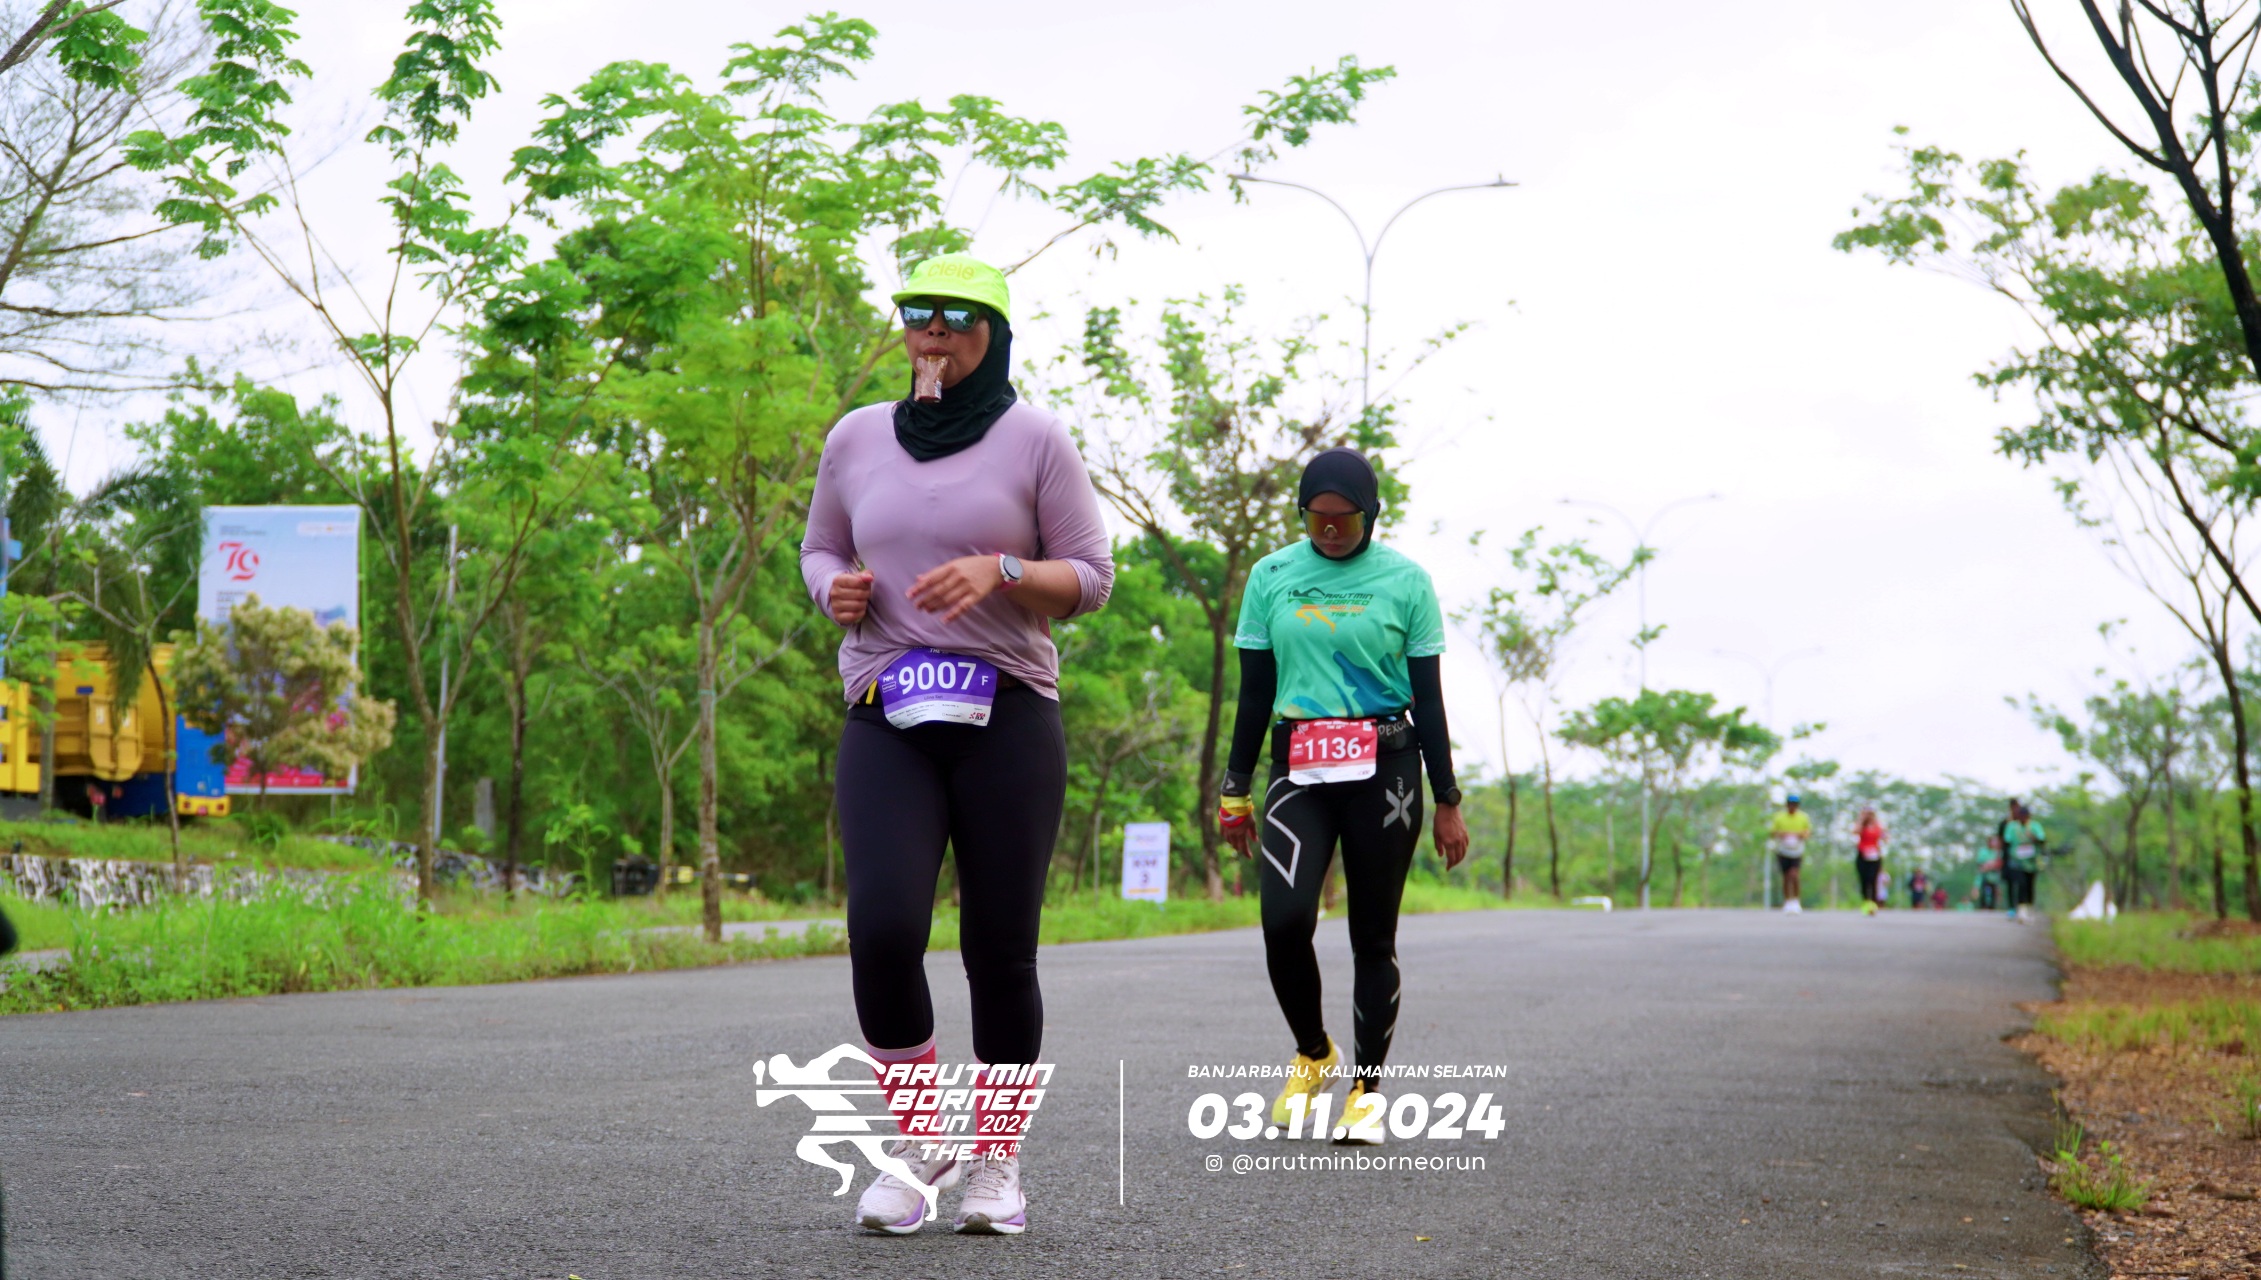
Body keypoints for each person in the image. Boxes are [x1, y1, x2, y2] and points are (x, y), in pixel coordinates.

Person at [799, 253, 1115, 1236]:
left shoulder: (1035, 439)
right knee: (884, 928)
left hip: (1007, 712)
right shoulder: (855, 437)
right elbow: (820, 545)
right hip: (886, 705)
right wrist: (832, 589)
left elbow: (1091, 576)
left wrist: (1003, 570)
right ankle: (924, 1136)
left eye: (957, 316)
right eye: (917, 313)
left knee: (997, 947)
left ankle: (996, 1160)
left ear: (994, 334)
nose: (932, 331)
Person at [1215, 447, 1469, 1146]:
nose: (1329, 531)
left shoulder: (1405, 581)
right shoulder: (1271, 576)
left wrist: (1447, 797)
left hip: (1386, 769)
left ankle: (1366, 1092)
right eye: (1316, 519)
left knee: (1371, 937)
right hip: (1298, 764)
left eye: (1344, 519)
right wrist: (1234, 789)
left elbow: (1429, 699)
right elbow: (1255, 693)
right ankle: (1313, 1052)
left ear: (1370, 515)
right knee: (1283, 922)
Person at [2001, 799, 2047, 923]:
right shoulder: (2012, 826)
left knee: (2030, 884)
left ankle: (2030, 907)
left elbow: (2042, 839)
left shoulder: (2035, 826)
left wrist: (2033, 837)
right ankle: (2021, 909)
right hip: (2017, 861)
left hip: (2032, 861)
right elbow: (2007, 841)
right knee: (2020, 884)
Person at [1768, 794, 1813, 912]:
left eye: (1794, 804)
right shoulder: (1779, 817)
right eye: (1790, 804)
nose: (1792, 806)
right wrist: (1783, 834)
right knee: (1786, 876)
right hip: (1783, 850)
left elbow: (1808, 832)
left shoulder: (1803, 817)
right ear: (1787, 805)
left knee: (1794, 874)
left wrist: (1800, 835)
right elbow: (1773, 832)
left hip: (1797, 850)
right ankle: (1787, 901)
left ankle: (1796, 901)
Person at [1854, 807, 1886, 916]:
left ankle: (1873, 904)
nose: (1869, 816)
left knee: (1873, 880)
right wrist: (1861, 819)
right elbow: (1855, 831)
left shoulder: (1878, 826)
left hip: (1875, 857)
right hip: (1862, 856)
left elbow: (1885, 837)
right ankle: (1865, 902)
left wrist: (1883, 836)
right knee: (1864, 880)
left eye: (1870, 814)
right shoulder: (1861, 826)